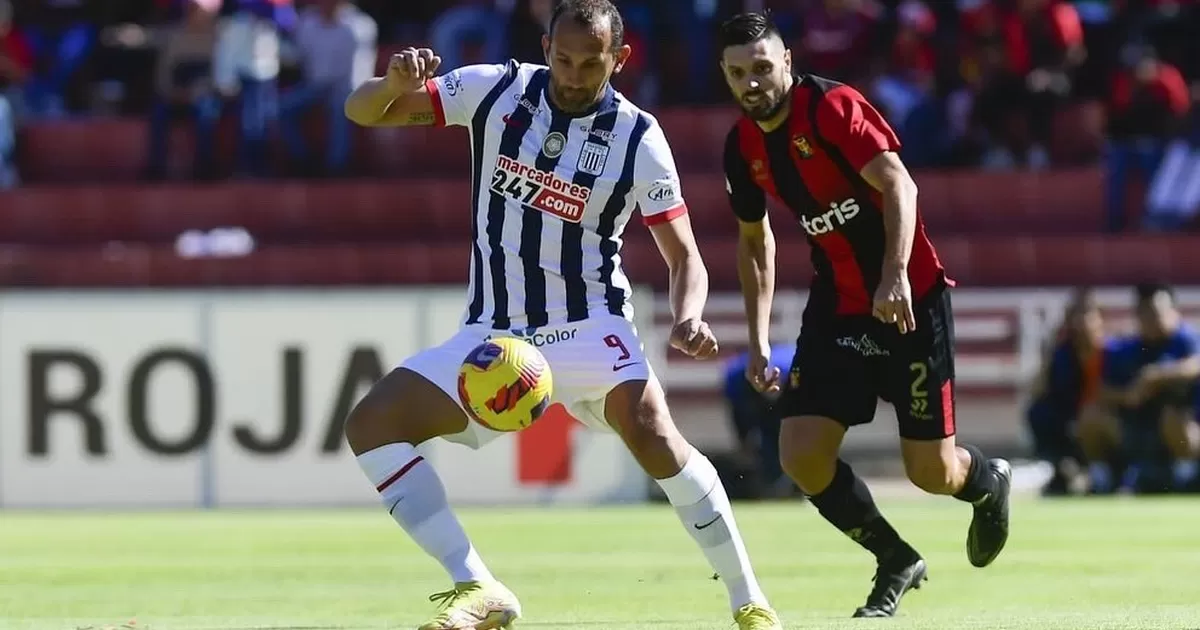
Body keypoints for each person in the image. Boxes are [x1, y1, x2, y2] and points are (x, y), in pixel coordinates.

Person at [341, 2, 782, 629]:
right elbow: (363, 112)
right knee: (372, 425)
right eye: (564, 58)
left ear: (619, 59)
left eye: (591, 62)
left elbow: (685, 256)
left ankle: (749, 598)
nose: (573, 74)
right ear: (546, 45)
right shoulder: (493, 90)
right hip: (491, 337)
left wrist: (689, 315)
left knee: (654, 430)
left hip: (589, 325)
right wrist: (391, 86)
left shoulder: (638, 137)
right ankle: (480, 587)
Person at [716, 11, 1012, 618]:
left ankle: (987, 481)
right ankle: (895, 557)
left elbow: (899, 186)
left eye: (763, 68)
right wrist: (757, 341)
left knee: (932, 473)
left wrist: (895, 275)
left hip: (912, 301)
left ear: (788, 63)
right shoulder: (741, 147)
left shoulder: (831, 108)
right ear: (725, 75)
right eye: (738, 73)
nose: (752, 83)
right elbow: (755, 244)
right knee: (799, 454)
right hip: (839, 307)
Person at [1084, 282, 1200, 493]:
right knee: (1092, 417)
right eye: (1145, 313)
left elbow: (1195, 365)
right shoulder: (1127, 349)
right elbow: (1103, 391)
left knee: (1173, 418)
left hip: (1183, 432)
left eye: (1157, 312)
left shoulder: (1187, 341)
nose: (1152, 320)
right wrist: (1128, 396)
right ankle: (1103, 476)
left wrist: (1157, 376)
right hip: (1138, 429)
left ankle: (1187, 475)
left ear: (1173, 311)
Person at [1025, 287, 1106, 495]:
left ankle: (1102, 471)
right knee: (1039, 412)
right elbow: (1037, 389)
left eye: (1087, 314)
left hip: (1101, 420)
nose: (1081, 322)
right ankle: (1061, 466)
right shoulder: (1062, 355)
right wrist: (1051, 349)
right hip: (1070, 422)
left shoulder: (1112, 352)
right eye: (1075, 316)